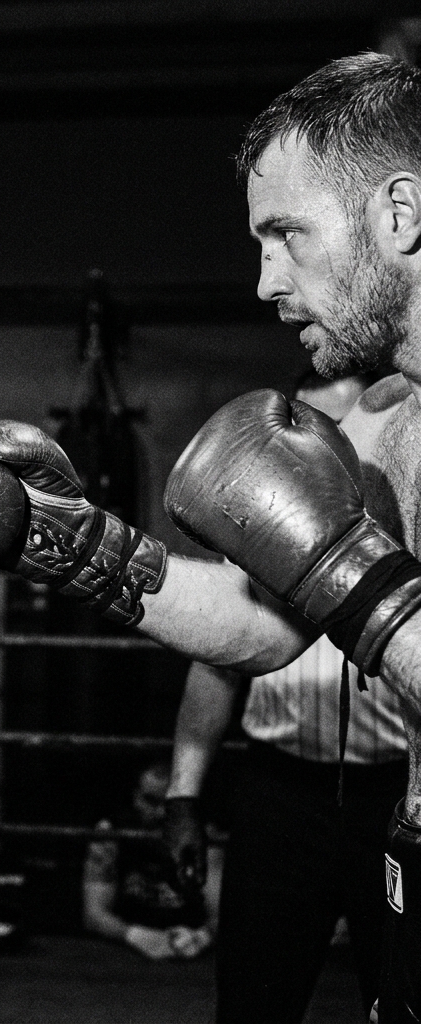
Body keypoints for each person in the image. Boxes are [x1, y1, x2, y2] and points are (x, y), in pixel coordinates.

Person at [0, 52, 421, 1023]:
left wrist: (353, 578)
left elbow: (356, 599)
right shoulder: (388, 428)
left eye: (285, 232)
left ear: (399, 214)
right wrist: (63, 540)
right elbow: (265, 629)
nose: (261, 279)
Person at [164, 370, 408, 1022]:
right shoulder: (256, 540)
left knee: (397, 993)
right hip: (278, 797)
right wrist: (183, 793)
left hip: (391, 797)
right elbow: (217, 665)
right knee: (253, 998)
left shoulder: (409, 526)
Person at [83, 760, 222, 961]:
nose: (160, 814)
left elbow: (223, 914)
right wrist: (135, 935)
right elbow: (93, 913)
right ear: (135, 797)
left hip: (188, 949)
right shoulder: (112, 832)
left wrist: (202, 936)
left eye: (169, 805)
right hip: (124, 950)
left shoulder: (204, 837)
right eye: (150, 801)